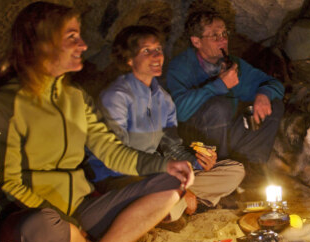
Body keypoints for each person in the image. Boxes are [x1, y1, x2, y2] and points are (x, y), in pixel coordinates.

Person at [0, 2, 194, 242]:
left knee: (172, 183)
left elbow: (111, 150)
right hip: (31, 216)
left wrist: (162, 166)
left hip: (82, 211)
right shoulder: (5, 103)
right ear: (43, 42)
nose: (82, 45)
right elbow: (8, 182)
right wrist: (66, 223)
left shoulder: (75, 98)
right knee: (39, 231)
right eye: (72, 37)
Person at [88, 25, 245, 217]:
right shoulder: (116, 97)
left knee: (234, 171)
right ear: (129, 59)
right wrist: (167, 174)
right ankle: (173, 204)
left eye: (158, 50)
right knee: (168, 189)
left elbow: (173, 148)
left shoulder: (162, 99)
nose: (156, 56)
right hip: (118, 178)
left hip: (156, 174)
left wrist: (197, 162)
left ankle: (175, 204)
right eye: (147, 51)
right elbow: (113, 160)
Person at [167, 8, 285, 168]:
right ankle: (219, 169)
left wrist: (264, 94)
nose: (223, 40)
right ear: (196, 41)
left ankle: (250, 167)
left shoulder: (231, 64)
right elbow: (178, 112)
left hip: (227, 131)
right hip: (195, 142)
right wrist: (219, 85)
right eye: (215, 36)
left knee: (273, 104)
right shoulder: (181, 66)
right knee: (219, 106)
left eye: (224, 34)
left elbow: (274, 84)